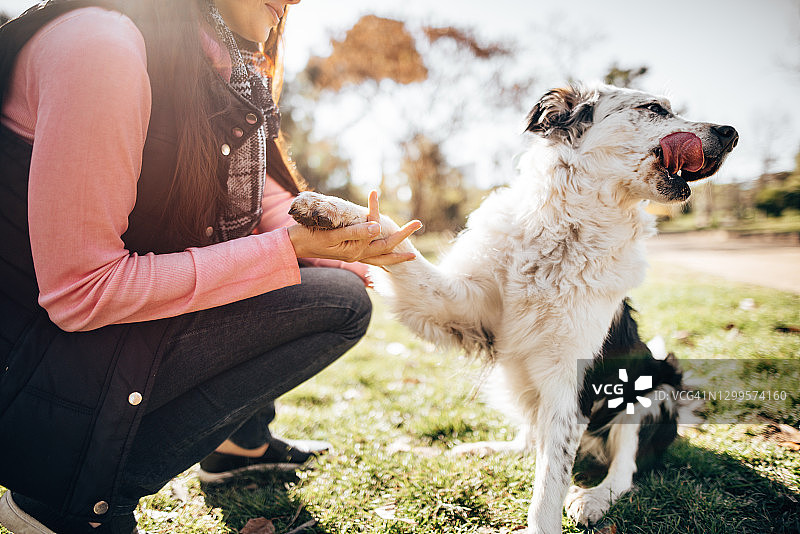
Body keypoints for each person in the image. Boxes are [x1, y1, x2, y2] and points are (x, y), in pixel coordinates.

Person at [0, 1, 421, 533]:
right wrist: (285, 251)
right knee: (336, 303)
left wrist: (329, 234)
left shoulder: (211, 60)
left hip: (69, 351)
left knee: (315, 280)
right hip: (26, 372)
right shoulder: (102, 46)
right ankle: (64, 499)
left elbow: (254, 201)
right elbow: (82, 291)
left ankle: (240, 445)